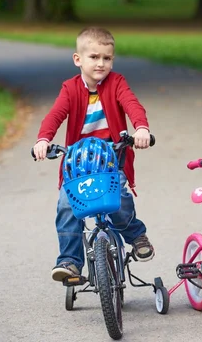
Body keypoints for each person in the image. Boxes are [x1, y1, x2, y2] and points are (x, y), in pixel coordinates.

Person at [32, 27, 155, 282]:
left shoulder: (117, 83)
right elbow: (55, 115)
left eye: (107, 58)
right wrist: (44, 139)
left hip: (110, 158)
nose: (101, 63)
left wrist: (141, 128)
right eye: (94, 57)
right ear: (78, 59)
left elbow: (132, 104)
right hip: (78, 163)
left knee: (118, 198)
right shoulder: (70, 89)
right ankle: (70, 261)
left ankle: (135, 234)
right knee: (67, 205)